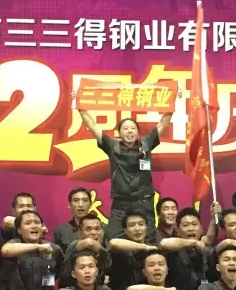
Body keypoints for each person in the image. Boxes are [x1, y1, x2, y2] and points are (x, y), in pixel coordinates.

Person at [73, 89, 181, 243]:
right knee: (112, 239)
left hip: (144, 202)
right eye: (125, 128)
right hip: (120, 203)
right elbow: (92, 125)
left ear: (137, 132)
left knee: (149, 240)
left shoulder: (146, 144)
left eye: (133, 128)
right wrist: (79, 106)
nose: (129, 131)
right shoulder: (112, 146)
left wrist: (173, 101)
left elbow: (163, 123)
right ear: (119, 133)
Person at [107, 209, 157, 290]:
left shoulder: (154, 251)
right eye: (132, 225)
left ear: (146, 227)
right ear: (125, 230)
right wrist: (144, 247)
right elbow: (113, 243)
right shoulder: (120, 250)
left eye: (141, 224)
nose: (137, 229)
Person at [53, 187, 93, 252]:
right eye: (76, 200)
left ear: (90, 204)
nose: (80, 205)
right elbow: (55, 255)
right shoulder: (61, 230)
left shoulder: (101, 229)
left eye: (85, 200)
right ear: (69, 205)